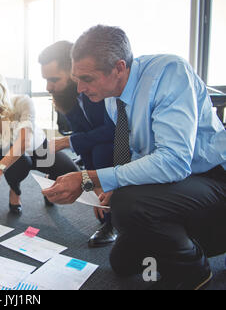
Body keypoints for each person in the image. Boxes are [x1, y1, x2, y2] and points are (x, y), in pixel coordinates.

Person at [43, 25, 226, 290]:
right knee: (122, 262)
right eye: (76, 78)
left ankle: (194, 270)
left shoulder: (169, 73)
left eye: (87, 78)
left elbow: (173, 161)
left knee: (130, 204)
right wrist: (115, 183)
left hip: (212, 178)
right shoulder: (111, 96)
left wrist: (89, 178)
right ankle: (183, 241)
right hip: (177, 182)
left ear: (118, 67)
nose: (80, 88)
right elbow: (141, 152)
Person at [0, 70, 78, 228]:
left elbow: (24, 142)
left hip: (37, 148)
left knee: (69, 169)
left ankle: (48, 183)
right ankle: (15, 190)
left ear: (1, 92)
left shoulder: (23, 102)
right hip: (13, 157)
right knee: (18, 162)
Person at [39, 41, 116, 247]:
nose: (48, 87)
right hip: (99, 150)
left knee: (101, 149)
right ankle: (109, 217)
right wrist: (93, 187)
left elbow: (111, 131)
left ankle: (114, 223)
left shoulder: (99, 91)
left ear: (73, 72)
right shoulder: (65, 97)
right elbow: (86, 142)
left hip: (126, 147)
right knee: (94, 151)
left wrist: (66, 141)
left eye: (53, 79)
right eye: (46, 80)